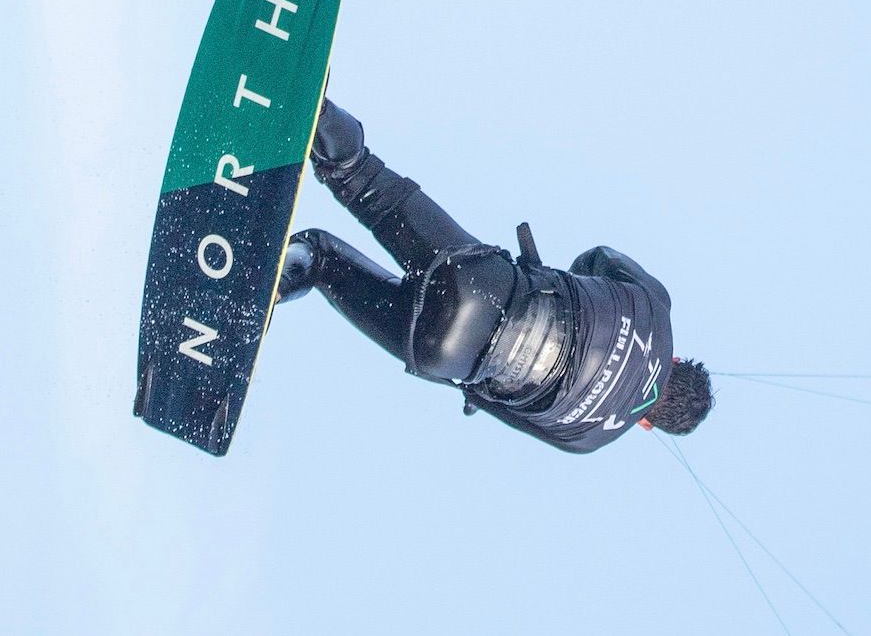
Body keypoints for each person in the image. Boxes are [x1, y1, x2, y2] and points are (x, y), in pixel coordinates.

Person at [276, 100, 712, 453]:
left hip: (485, 285)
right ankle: (263, 284)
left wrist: (575, 294)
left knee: (358, 175)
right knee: (320, 261)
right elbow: (491, 403)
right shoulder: (587, 440)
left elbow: (596, 259)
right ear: (650, 423)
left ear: (676, 360)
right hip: (447, 353)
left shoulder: (658, 309)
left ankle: (313, 101)